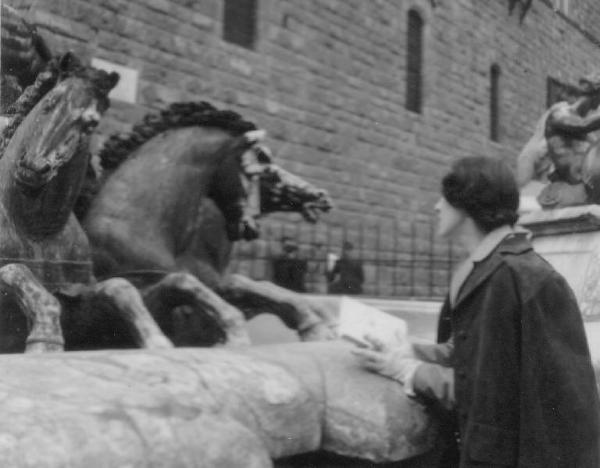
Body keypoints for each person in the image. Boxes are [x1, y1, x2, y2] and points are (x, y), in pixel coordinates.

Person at [353, 156, 600, 468]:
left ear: (468, 203)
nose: (436, 206)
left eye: (445, 197)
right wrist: (404, 350)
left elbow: (492, 394)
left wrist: (408, 371)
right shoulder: (493, 269)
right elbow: (473, 355)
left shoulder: (519, 277)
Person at [517, 70, 600, 207]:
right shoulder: (559, 113)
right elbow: (582, 125)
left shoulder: (587, 136)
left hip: (585, 178)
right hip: (574, 176)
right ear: (596, 96)